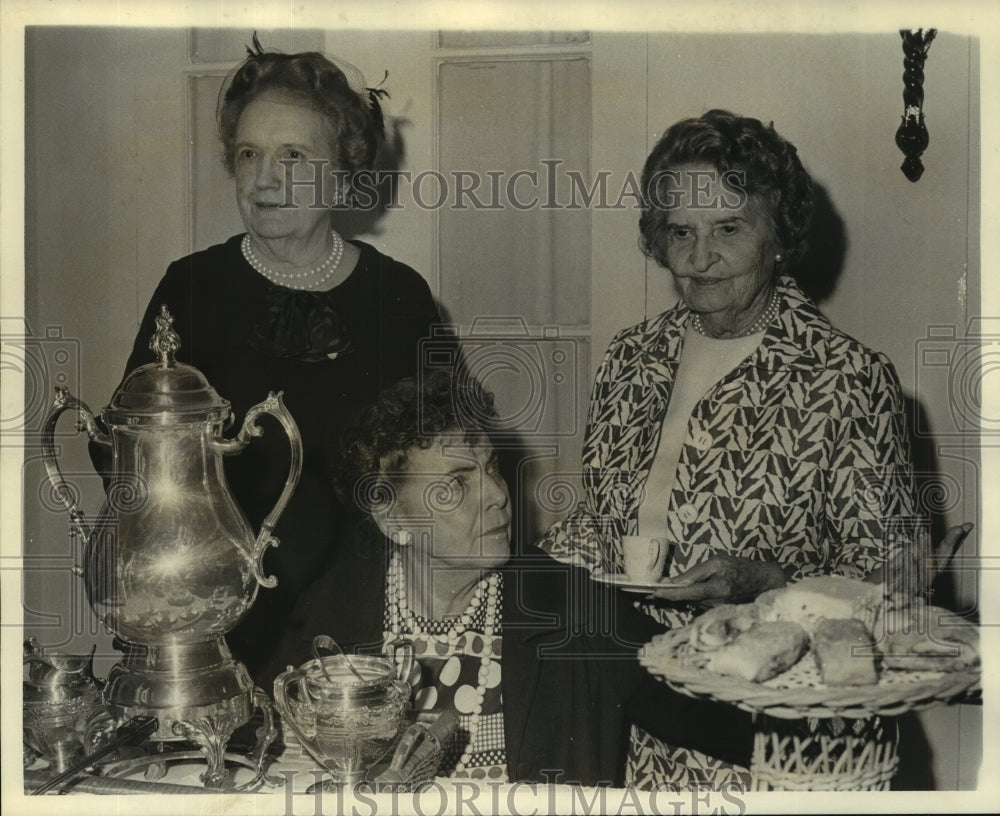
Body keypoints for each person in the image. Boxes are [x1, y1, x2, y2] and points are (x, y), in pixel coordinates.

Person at [538, 109, 919, 788]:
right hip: (629, 719)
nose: (698, 257)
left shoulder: (843, 378)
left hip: (773, 736)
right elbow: (599, 524)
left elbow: (894, 588)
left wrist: (768, 584)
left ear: (778, 239)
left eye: (729, 230)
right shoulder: (630, 358)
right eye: (679, 232)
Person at [108, 42, 443, 680]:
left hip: (362, 630)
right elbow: (124, 455)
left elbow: (437, 466)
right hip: (208, 626)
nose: (264, 179)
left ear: (343, 172)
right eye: (249, 155)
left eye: (293, 157)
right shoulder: (192, 287)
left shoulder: (397, 298)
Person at [272, 367, 754, 785]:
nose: (496, 495)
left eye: (491, 468)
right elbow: (267, 750)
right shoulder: (333, 613)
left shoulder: (573, 606)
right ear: (393, 520)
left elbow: (734, 720)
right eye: (456, 484)